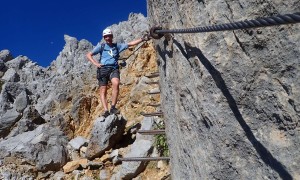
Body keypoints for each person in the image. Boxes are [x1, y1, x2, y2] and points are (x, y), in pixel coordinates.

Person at [86, 28, 150, 117]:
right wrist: (95, 63)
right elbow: (89, 54)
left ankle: (112, 107)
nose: (107, 38)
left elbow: (130, 44)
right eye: (106, 37)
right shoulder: (101, 46)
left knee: (116, 83)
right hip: (103, 70)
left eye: (109, 36)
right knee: (103, 90)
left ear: (112, 36)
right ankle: (105, 110)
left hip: (113, 69)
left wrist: (142, 39)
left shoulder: (117, 46)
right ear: (104, 38)